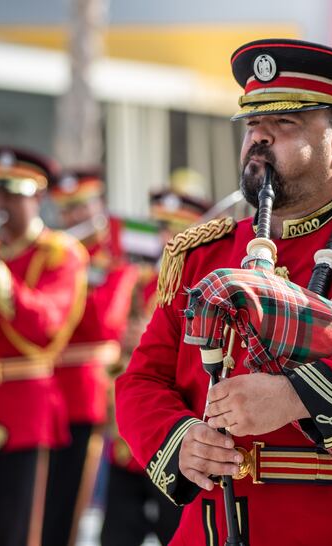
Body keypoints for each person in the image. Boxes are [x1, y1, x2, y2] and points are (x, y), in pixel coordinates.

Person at [115, 39, 332, 545]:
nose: (259, 139)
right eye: (253, 125)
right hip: (217, 526)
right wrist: (178, 439)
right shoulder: (201, 253)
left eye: (285, 125)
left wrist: (296, 396)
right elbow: (141, 379)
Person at [0, 147, 88, 545]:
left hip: (24, 414)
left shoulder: (61, 254)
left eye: (12, 195)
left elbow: (46, 326)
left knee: (18, 533)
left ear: (37, 197)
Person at [100, 188, 209, 546]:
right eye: (162, 228)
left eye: (176, 229)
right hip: (131, 442)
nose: (166, 238)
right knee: (116, 534)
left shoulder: (202, 287)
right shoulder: (142, 281)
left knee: (174, 531)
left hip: (176, 433)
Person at [41, 169, 140, 546]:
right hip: (46, 387)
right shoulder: (54, 249)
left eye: (81, 208)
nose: (73, 219)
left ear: (98, 205)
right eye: (66, 211)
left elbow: (103, 320)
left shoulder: (116, 253)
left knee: (70, 500)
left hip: (87, 387)